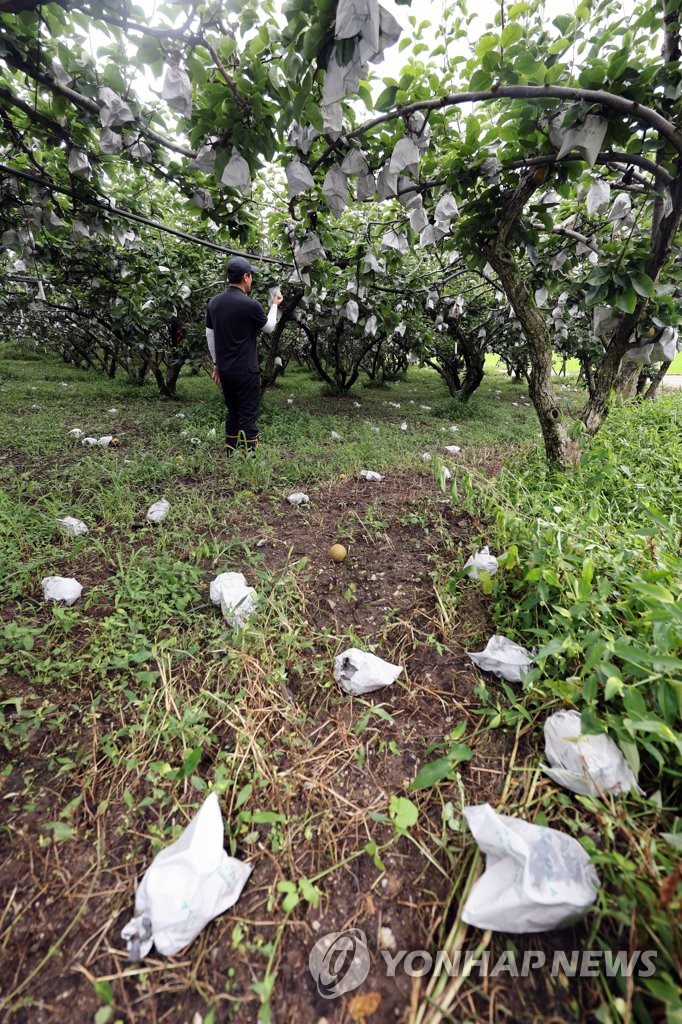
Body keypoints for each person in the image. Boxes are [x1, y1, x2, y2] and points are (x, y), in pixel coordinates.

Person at [206, 256, 283, 453]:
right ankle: (250, 457)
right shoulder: (251, 305)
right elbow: (269, 327)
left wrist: (217, 363)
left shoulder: (214, 303)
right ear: (246, 277)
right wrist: (274, 304)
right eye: (252, 276)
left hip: (226, 370)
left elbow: (210, 334)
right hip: (247, 371)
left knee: (233, 411)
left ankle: (231, 450)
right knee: (249, 413)